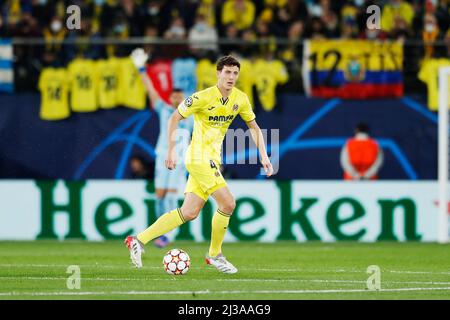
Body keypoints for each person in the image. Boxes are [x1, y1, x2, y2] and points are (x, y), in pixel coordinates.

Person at [125, 54, 274, 274]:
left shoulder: (240, 99)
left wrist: (264, 155)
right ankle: (215, 255)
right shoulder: (202, 97)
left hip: (212, 159)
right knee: (228, 204)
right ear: (218, 73)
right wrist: (172, 150)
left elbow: (254, 127)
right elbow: (174, 117)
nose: (231, 77)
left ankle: (138, 239)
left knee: (189, 211)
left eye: (235, 73)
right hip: (198, 158)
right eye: (227, 72)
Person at [129, 48, 193, 248]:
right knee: (159, 196)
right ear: (171, 98)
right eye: (174, 96)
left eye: (179, 96)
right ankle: (161, 231)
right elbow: (151, 91)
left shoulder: (192, 116)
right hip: (162, 157)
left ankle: (169, 236)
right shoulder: (164, 110)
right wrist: (141, 69)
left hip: (180, 160)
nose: (176, 99)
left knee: (172, 197)